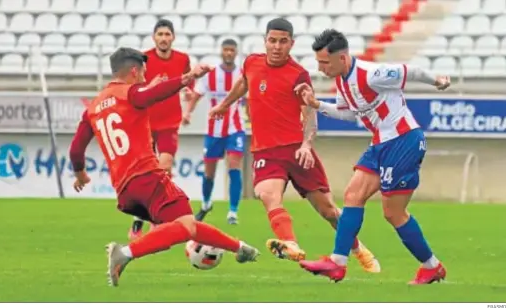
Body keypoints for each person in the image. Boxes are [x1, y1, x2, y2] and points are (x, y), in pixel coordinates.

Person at [69, 47, 259, 287]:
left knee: (184, 225)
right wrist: (187, 78)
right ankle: (125, 253)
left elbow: (76, 149)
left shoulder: (93, 107)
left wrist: (81, 175)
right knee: (185, 225)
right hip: (147, 177)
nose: (145, 78)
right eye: (143, 73)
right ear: (134, 71)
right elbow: (151, 95)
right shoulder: (131, 92)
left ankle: (239, 248)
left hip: (125, 192)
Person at [209, 18, 380, 273]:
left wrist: (306, 145)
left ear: (292, 43)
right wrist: (224, 104)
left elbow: (309, 113)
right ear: (265, 40)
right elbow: (244, 82)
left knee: (329, 211)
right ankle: (290, 243)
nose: (277, 46)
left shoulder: (298, 74)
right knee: (267, 195)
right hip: (266, 150)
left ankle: (358, 249)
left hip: (296, 150)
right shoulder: (251, 63)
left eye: (283, 41)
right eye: (272, 41)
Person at [296, 29, 450, 284]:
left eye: (324, 62)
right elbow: (348, 114)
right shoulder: (342, 83)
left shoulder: (371, 74)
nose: (320, 68)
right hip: (380, 143)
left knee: (393, 213)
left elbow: (410, 71)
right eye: (318, 62)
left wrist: (436, 80)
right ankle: (337, 262)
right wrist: (316, 104)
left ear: (342, 58)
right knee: (352, 196)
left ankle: (432, 266)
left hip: (403, 141)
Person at [128, 19, 194, 240]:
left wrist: (189, 102)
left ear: (173, 37)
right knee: (144, 172)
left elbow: (188, 83)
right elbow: (134, 89)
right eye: (160, 34)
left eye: (167, 34)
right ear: (154, 37)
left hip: (169, 123)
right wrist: (150, 85)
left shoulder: (183, 59)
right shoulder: (143, 59)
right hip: (145, 124)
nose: (164, 38)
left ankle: (155, 218)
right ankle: (139, 217)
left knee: (164, 167)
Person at [182, 38, 245, 225]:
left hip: (235, 129)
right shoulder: (211, 75)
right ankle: (206, 203)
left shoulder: (242, 74)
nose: (228, 53)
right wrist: (187, 113)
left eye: (232, 50)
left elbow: (250, 100)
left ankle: (233, 212)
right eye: (226, 50)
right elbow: (196, 95)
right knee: (209, 172)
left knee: (234, 168)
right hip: (213, 131)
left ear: (236, 52)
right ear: (221, 51)